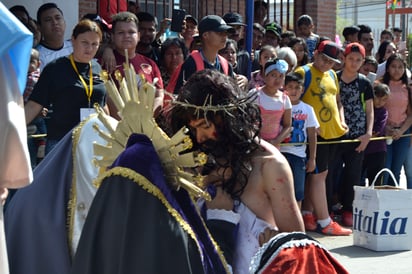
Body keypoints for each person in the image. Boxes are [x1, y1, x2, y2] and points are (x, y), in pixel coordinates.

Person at [171, 69, 304, 274]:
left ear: (228, 118)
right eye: (193, 129)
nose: (199, 137)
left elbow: (298, 249)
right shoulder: (196, 157)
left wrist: (275, 246)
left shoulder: (269, 165)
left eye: (205, 125)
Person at [24, 19, 108, 154]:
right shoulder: (55, 68)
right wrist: (11, 131)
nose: (90, 48)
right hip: (62, 142)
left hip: (94, 141)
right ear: (73, 40)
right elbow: (35, 104)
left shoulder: (98, 68)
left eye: (94, 44)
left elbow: (103, 105)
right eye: (85, 43)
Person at [295, 40, 352, 236]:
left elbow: (338, 102)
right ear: (316, 54)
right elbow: (294, 101)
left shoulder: (332, 76)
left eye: (332, 62)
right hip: (314, 136)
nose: (327, 64)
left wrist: (341, 120)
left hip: (333, 132)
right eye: (324, 59)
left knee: (319, 175)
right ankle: (325, 221)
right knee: (319, 175)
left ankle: (308, 213)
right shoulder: (303, 73)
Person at [332, 42, 374, 227]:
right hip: (335, 134)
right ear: (344, 58)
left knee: (353, 174)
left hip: (357, 136)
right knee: (332, 172)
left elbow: (370, 110)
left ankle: (348, 208)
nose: (354, 62)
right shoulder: (335, 78)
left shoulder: (365, 82)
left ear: (363, 61)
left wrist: (368, 133)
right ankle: (330, 207)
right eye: (351, 59)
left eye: (358, 60)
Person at [107, 11, 164, 118]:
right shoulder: (104, 63)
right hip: (114, 129)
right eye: (121, 32)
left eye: (131, 32)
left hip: (146, 128)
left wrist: (148, 118)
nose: (126, 36)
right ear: (112, 36)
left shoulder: (150, 64)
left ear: (138, 36)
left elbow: (159, 95)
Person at [168, 15, 234, 94]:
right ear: (205, 35)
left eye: (226, 33)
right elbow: (179, 97)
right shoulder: (190, 64)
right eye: (220, 32)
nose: (225, 36)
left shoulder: (226, 66)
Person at [280, 72, 319, 207]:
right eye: (290, 87)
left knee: (298, 191)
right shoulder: (279, 106)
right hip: (281, 153)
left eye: (297, 87)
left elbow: (312, 134)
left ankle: (296, 223)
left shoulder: (307, 109)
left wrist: (312, 158)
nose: (294, 90)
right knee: (279, 189)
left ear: (302, 89)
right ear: (284, 88)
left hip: (299, 155)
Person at [377, 53, 412, 185]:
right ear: (387, 68)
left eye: (400, 67)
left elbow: (410, 114)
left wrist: (401, 131)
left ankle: (393, 203)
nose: (396, 70)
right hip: (384, 134)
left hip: (403, 134)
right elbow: (375, 109)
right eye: (393, 66)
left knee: (396, 171)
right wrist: (385, 128)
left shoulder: (407, 88)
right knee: (385, 170)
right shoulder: (379, 85)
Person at [250, 58, 292, 147]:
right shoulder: (255, 94)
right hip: (254, 143)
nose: (277, 80)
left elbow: (287, 126)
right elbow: (246, 120)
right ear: (265, 76)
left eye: (281, 76)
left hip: (273, 146)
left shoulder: (285, 99)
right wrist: (255, 139)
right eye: (273, 75)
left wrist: (275, 141)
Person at [362, 83, 390, 186]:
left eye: (384, 99)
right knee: (359, 178)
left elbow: (378, 130)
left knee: (375, 180)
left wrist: (366, 135)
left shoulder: (383, 112)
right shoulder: (364, 109)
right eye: (377, 98)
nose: (380, 102)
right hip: (363, 149)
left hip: (378, 149)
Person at [23, 48, 46, 168]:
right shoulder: (21, 77)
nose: (28, 65)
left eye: (31, 62)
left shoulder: (34, 78)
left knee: (40, 127)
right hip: (24, 117)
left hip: (32, 113)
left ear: (38, 64)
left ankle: (42, 143)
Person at [35, 3, 73, 71]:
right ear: (39, 27)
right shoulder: (37, 56)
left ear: (64, 22)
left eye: (58, 18)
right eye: (48, 20)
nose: (55, 22)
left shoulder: (75, 47)